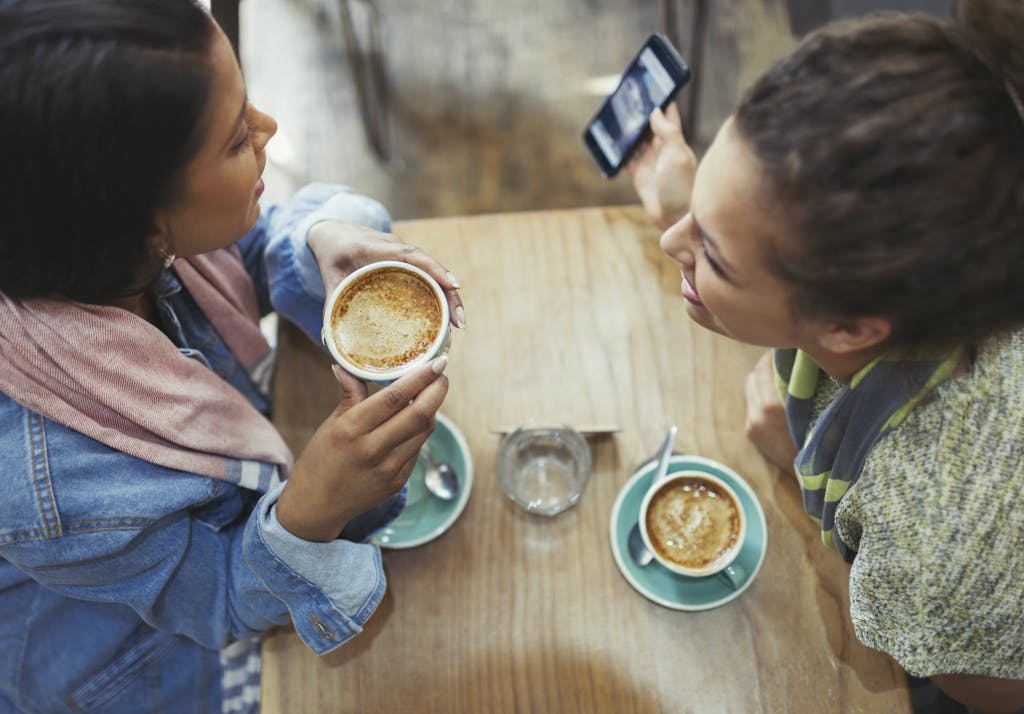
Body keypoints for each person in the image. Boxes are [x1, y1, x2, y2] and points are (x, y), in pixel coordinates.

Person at [0, 1, 464, 712]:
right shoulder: (56, 489)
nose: (269, 128)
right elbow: (219, 600)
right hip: (138, 664)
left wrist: (317, 238)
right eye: (234, 138)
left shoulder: (90, 247)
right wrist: (311, 513)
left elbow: (251, 247)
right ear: (144, 228)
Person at [627, 1, 1023, 712]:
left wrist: (810, 458)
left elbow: (984, 688)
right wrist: (711, 213)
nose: (668, 244)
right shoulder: (962, 219)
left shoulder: (934, 538)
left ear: (846, 330)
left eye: (711, 251)